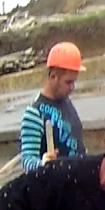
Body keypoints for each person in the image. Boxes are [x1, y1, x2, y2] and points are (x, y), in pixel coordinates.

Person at [20, 41, 87, 172]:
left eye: (74, 82)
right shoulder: (34, 113)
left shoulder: (66, 103)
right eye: (68, 82)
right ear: (53, 76)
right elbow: (27, 161)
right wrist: (43, 163)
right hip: (55, 188)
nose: (72, 87)